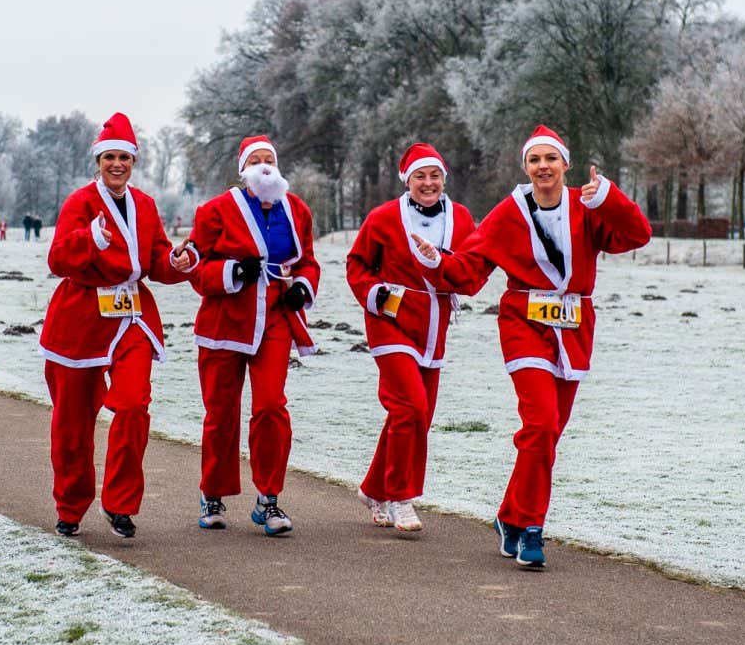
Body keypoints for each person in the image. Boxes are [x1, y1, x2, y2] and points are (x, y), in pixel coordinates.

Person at [440, 125, 651, 569]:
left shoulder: (587, 207)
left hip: (574, 328)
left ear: (565, 165)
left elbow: (637, 235)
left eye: (550, 159)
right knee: (539, 424)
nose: (542, 167)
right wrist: (434, 260)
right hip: (524, 323)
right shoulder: (508, 213)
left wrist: (609, 198)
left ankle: (509, 515)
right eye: (534, 160)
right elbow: (470, 268)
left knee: (548, 436)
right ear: (525, 168)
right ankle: (532, 528)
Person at [39, 112, 196, 539]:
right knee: (72, 423)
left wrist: (179, 263)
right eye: (110, 157)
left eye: (124, 157)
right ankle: (70, 505)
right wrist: (89, 240)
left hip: (132, 318)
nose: (117, 164)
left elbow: (157, 260)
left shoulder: (144, 205)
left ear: (133, 161)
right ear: (98, 160)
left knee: (132, 405)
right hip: (81, 320)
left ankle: (120, 503)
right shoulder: (80, 202)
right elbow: (57, 259)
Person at [187, 135, 320, 536]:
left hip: (275, 318)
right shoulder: (215, 210)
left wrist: (304, 286)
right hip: (224, 321)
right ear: (242, 169)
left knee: (270, 408)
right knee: (221, 412)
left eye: (270, 159)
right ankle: (213, 492)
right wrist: (231, 272)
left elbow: (308, 261)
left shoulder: (296, 209)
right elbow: (196, 268)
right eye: (255, 160)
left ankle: (269, 499)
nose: (264, 165)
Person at [346, 143, 480, 534]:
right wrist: (376, 296)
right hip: (390, 319)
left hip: (434, 325)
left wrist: (446, 266)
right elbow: (357, 264)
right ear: (407, 181)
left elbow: (472, 269)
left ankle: (373, 488)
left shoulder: (461, 218)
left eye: (435, 175)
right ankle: (401, 497)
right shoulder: (384, 217)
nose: (428, 183)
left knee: (416, 415)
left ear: (444, 178)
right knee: (411, 408)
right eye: (420, 176)